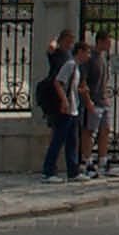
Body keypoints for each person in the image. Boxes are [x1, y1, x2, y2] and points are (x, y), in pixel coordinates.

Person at [42, 40, 90, 182]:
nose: (88, 56)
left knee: (72, 142)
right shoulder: (70, 65)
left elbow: (72, 87)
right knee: (57, 141)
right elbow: (58, 82)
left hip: (73, 109)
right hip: (66, 110)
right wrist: (64, 101)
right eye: (86, 52)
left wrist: (81, 91)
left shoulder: (77, 67)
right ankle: (48, 171)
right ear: (80, 52)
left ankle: (73, 171)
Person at [80, 29, 115, 176]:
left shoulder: (103, 58)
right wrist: (88, 101)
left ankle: (102, 160)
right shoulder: (90, 59)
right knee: (89, 132)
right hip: (93, 101)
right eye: (108, 42)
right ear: (100, 41)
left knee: (105, 130)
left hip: (102, 101)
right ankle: (87, 161)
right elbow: (83, 81)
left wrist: (106, 93)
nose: (110, 45)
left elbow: (104, 79)